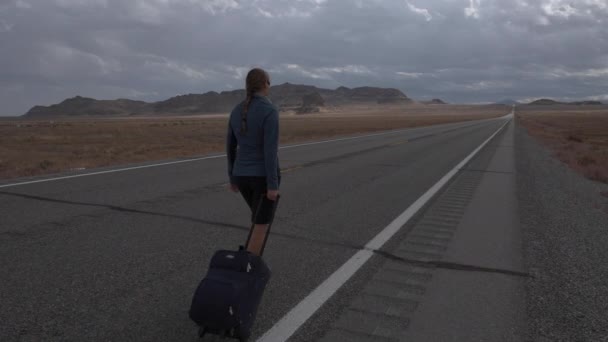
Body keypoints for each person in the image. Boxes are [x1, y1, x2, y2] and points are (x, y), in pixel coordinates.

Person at [226, 68, 280, 256]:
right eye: (269, 83)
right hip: (261, 178)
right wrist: (273, 185)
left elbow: (230, 147)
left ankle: (248, 260)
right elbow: (270, 151)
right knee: (261, 224)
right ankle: (247, 269)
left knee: (257, 219)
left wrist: (232, 177)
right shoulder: (269, 110)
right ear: (265, 84)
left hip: (241, 176)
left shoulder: (236, 110)